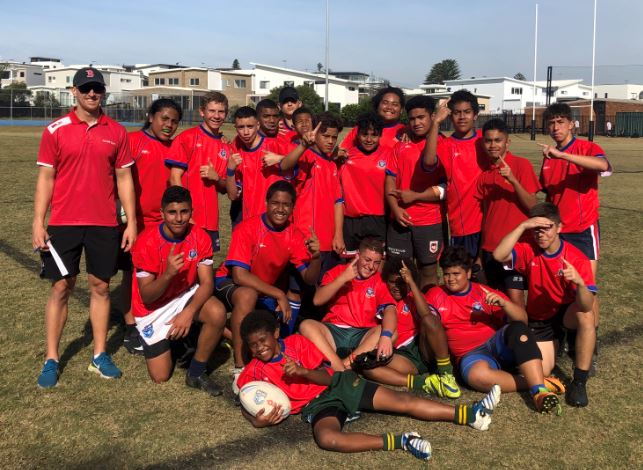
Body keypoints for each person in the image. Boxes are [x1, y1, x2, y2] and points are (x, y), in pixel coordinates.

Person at [238, 310, 501, 461]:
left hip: (338, 385)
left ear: (275, 334)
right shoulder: (252, 372)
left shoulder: (296, 343)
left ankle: (469, 413)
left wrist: (304, 372)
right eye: (253, 345)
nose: (260, 347)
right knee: (327, 439)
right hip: (318, 404)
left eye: (263, 340)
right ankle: (403, 441)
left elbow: (329, 376)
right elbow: (245, 399)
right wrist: (257, 422)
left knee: (402, 402)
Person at [33, 67, 137, 388]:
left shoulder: (117, 132)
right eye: (86, 88)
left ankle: (100, 355)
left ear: (103, 92)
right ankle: (51, 358)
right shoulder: (55, 129)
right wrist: (38, 221)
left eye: (97, 89)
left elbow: (124, 179)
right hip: (63, 223)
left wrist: (131, 221)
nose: (92, 94)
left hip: (104, 223)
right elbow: (46, 178)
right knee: (61, 287)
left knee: (101, 287)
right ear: (74, 91)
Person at [427, 246, 564, 414]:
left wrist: (505, 304)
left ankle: (539, 393)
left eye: (456, 274)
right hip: (471, 355)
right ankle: (539, 383)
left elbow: (523, 320)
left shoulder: (483, 292)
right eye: (447, 274)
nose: (450, 279)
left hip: (496, 344)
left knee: (518, 329)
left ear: (468, 273)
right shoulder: (435, 295)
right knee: (476, 376)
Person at [214, 181, 321, 386]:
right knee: (247, 296)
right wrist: (278, 294)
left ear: (293, 208)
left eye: (286, 205)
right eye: (275, 203)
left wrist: (316, 257)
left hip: (262, 290)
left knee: (270, 338)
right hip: (226, 282)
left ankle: (226, 331)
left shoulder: (294, 234)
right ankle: (239, 367)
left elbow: (309, 279)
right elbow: (239, 275)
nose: (280, 209)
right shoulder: (247, 228)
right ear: (266, 203)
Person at [493, 203, 597, 407]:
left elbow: (586, 304)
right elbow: (498, 255)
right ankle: (558, 344)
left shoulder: (576, 257)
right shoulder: (528, 250)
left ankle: (579, 381)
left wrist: (580, 283)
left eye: (547, 227)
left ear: (559, 227)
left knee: (587, 314)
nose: (541, 234)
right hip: (540, 318)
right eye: (536, 229)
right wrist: (522, 226)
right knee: (544, 370)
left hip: (566, 311)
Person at [130, 186, 226, 395]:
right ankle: (175, 339)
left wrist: (188, 313)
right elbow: (146, 296)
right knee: (160, 377)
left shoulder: (200, 236)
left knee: (217, 313)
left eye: (184, 212)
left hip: (183, 295)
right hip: (152, 309)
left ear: (191, 211)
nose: (179, 218)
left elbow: (207, 283)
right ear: (162, 213)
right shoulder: (146, 242)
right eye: (172, 212)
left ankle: (196, 373)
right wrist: (168, 274)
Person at [538, 103, 611, 372]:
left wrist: (563, 156)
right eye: (551, 123)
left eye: (560, 122)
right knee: (563, 288)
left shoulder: (586, 148)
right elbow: (547, 192)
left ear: (572, 124)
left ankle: (589, 340)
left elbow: (603, 165)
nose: (555, 127)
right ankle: (568, 334)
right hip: (559, 233)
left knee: (587, 290)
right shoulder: (548, 157)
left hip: (583, 230)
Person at [120, 98, 183, 355]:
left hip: (166, 222)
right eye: (164, 119)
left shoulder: (177, 146)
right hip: (137, 222)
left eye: (174, 121)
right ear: (150, 116)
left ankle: (155, 321)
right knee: (134, 275)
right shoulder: (133, 141)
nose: (168, 125)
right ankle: (130, 327)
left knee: (161, 274)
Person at [361, 257, 460, 399]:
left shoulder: (414, 297)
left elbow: (427, 315)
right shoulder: (381, 298)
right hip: (403, 356)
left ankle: (446, 375)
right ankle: (424, 382)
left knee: (430, 319)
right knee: (367, 366)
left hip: (423, 348)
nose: (396, 286)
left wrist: (411, 283)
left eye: (401, 282)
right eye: (392, 282)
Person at [299, 238, 396, 371]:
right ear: (357, 256)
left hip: (362, 334)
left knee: (388, 331)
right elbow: (317, 300)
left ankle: (341, 367)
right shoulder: (338, 271)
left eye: (376, 263)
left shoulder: (379, 280)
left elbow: (390, 309)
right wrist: (343, 278)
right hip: (334, 330)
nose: (371, 266)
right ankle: (341, 367)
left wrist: (386, 336)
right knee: (306, 325)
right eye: (367, 260)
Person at [474, 118, 540, 308]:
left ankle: (521, 337)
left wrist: (513, 180)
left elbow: (533, 207)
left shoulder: (521, 165)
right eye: (488, 140)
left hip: (515, 249)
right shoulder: (485, 175)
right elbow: (486, 215)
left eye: (498, 140)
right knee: (494, 300)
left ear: (507, 142)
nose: (493, 145)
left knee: (515, 300)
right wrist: (480, 252)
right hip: (490, 249)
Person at [386, 96, 446, 289]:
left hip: (429, 220)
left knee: (428, 272)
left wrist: (416, 196)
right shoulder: (400, 145)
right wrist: (395, 209)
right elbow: (390, 179)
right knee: (398, 271)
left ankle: (428, 315)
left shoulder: (443, 144)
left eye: (421, 117)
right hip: (400, 219)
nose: (417, 123)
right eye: (412, 119)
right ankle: (402, 317)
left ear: (433, 117)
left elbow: (446, 187)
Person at [423, 90, 488, 263]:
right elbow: (429, 161)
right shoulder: (446, 145)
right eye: (457, 113)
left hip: (489, 221)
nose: (462, 117)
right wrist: (436, 122)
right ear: (450, 116)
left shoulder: (486, 140)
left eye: (467, 112)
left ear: (475, 115)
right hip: (463, 225)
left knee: (490, 278)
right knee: (467, 275)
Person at [280, 112, 345, 277]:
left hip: (329, 241)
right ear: (315, 134)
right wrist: (303, 145)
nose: (330, 141)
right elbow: (285, 166)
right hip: (306, 238)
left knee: (323, 285)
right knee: (298, 289)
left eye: (334, 137)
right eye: (325, 136)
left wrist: (338, 234)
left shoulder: (331, 164)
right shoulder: (305, 156)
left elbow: (338, 201)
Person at [166, 91, 231, 252]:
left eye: (221, 111)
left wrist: (216, 178)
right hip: (189, 219)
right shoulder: (187, 138)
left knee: (206, 264)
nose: (216, 116)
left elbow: (225, 188)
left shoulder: (226, 146)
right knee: (185, 266)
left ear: (226, 114)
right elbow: (175, 178)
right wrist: (185, 215)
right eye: (211, 111)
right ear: (202, 112)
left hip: (211, 220)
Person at [339, 113, 391, 256]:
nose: (369, 139)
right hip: (351, 220)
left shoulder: (389, 154)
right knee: (351, 265)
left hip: (378, 219)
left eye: (374, 135)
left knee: (376, 263)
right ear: (357, 135)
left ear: (380, 136)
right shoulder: (344, 156)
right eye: (364, 134)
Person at [226, 106, 290, 221]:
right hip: (249, 221)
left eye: (250, 127)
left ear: (258, 126)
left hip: (275, 221)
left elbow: (304, 162)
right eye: (241, 127)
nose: (246, 132)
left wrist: (281, 158)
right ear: (235, 128)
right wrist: (230, 170)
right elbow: (232, 196)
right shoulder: (235, 151)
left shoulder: (276, 145)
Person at [340, 86, 406, 152]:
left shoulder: (405, 131)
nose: (389, 107)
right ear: (377, 106)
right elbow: (342, 151)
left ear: (401, 110)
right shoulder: (362, 128)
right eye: (385, 103)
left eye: (395, 104)